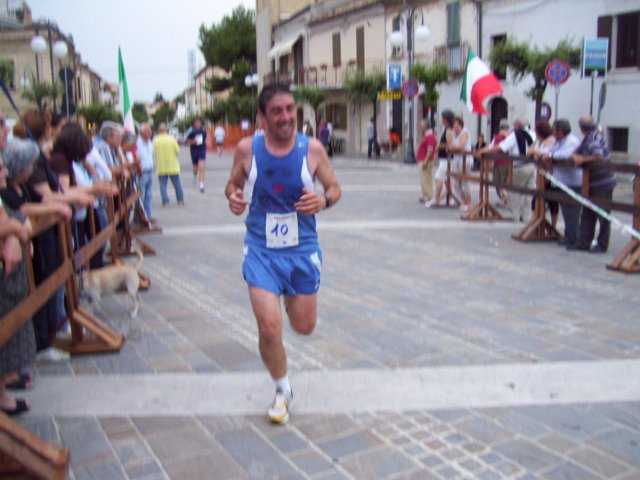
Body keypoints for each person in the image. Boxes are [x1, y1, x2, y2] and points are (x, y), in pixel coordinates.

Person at [225, 83, 341, 425]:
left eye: (290, 109)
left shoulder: (312, 149)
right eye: (276, 111)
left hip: (301, 249)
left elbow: (335, 188)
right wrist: (233, 198)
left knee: (304, 326)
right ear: (262, 116)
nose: (286, 116)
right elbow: (232, 185)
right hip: (261, 249)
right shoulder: (247, 149)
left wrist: (324, 200)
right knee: (269, 329)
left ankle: (291, 298)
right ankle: (282, 389)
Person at [569, 115, 616, 253]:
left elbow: (598, 156)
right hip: (592, 182)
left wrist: (582, 160)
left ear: (581, 128)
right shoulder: (588, 138)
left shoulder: (594, 139)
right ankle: (584, 242)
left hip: (602, 182)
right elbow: (575, 152)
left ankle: (602, 244)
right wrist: (575, 157)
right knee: (588, 212)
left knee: (603, 214)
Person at [483, 117, 536, 221]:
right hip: (531, 165)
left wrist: (486, 151)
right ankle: (526, 216)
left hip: (519, 165)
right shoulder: (532, 133)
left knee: (514, 191)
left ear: (517, 125)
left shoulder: (515, 135)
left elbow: (502, 147)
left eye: (514, 125)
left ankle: (515, 215)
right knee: (528, 192)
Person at [542, 119, 582, 247]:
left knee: (572, 212)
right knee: (565, 211)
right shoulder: (558, 141)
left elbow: (566, 155)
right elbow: (546, 150)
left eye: (554, 130)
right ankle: (568, 236)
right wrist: (548, 154)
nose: (553, 133)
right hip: (562, 181)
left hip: (573, 182)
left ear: (561, 131)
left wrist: (550, 155)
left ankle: (574, 237)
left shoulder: (572, 141)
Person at [528, 120, 558, 228]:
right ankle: (534, 224)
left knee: (552, 202)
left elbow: (546, 155)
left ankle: (553, 227)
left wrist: (536, 153)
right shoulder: (538, 141)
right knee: (535, 201)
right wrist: (536, 153)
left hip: (550, 175)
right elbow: (529, 151)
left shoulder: (551, 140)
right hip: (539, 174)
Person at [153, 123, 184, 208]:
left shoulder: (155, 140)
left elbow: (153, 152)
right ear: (166, 130)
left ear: (158, 131)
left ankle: (165, 203)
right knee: (177, 185)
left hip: (161, 166)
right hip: (173, 165)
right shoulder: (172, 139)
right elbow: (177, 151)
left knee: (163, 186)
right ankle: (180, 201)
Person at [448, 116, 473, 212]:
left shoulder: (465, 133)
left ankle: (469, 203)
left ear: (461, 126)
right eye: (454, 125)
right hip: (457, 160)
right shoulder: (455, 134)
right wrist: (453, 146)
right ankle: (464, 201)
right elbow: (451, 145)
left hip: (465, 160)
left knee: (464, 182)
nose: (455, 127)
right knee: (456, 183)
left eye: (457, 126)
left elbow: (461, 146)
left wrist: (453, 147)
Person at [432, 110, 454, 206]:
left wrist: (439, 145)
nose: (441, 120)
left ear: (445, 119)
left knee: (439, 177)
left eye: (442, 118)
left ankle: (436, 198)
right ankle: (449, 198)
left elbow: (449, 144)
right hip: (444, 158)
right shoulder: (447, 129)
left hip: (446, 158)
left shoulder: (448, 130)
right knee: (446, 179)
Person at [416, 119, 437, 205]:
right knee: (423, 178)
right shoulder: (426, 135)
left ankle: (428, 195)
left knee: (426, 178)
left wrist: (426, 160)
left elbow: (430, 149)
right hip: (422, 159)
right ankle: (424, 194)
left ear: (425, 126)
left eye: (422, 125)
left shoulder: (430, 136)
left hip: (425, 160)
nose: (420, 127)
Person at [136, 123, 155, 220]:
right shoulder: (137, 143)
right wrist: (139, 168)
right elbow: (136, 157)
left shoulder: (150, 142)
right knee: (141, 195)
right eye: (148, 131)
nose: (150, 132)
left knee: (149, 194)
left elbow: (152, 155)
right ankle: (141, 216)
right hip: (142, 172)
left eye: (150, 130)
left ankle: (147, 215)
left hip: (150, 170)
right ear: (142, 132)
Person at [185, 117, 207, 192]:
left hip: (202, 150)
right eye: (196, 122)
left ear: (201, 124)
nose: (198, 124)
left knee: (201, 167)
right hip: (194, 150)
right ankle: (194, 177)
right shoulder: (191, 131)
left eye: (199, 122)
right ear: (194, 123)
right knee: (195, 167)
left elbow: (205, 139)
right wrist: (192, 141)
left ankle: (201, 185)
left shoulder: (204, 130)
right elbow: (186, 141)